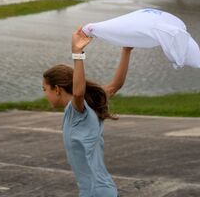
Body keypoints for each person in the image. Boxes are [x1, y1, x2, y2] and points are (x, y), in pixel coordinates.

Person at [42, 27, 133, 197]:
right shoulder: (91, 102)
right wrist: (126, 50)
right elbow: (116, 85)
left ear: (57, 89)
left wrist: (77, 53)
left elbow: (78, 92)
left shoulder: (77, 109)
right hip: (103, 190)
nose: (44, 94)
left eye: (44, 89)